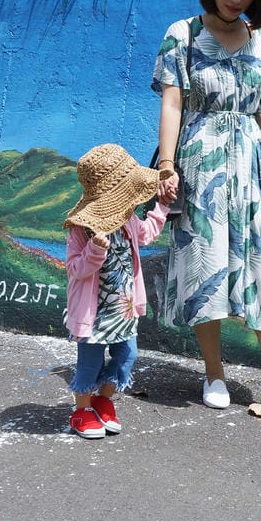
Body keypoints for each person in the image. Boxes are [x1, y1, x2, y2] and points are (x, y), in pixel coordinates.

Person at [152, 0, 261, 426]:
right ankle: (213, 372)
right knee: (204, 266)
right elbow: (172, 104)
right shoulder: (182, 35)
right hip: (200, 165)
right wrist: (167, 164)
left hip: (251, 167)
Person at [62, 143, 174, 438]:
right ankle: (81, 411)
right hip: (93, 316)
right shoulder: (80, 230)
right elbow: (74, 269)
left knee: (127, 356)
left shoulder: (127, 221)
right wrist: (94, 252)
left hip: (123, 312)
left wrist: (161, 207)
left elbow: (147, 234)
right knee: (90, 364)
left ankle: (103, 400)